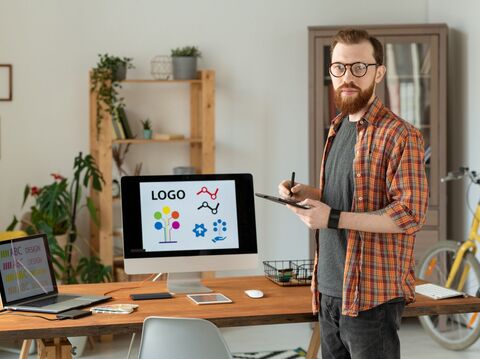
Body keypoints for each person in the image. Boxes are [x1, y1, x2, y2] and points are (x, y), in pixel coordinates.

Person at [278, 29, 428, 359]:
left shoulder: (401, 135)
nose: (348, 77)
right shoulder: (338, 127)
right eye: (339, 68)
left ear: (379, 72)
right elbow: (349, 197)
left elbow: (409, 214)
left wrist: (330, 217)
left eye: (359, 67)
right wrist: (308, 193)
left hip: (371, 298)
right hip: (329, 291)